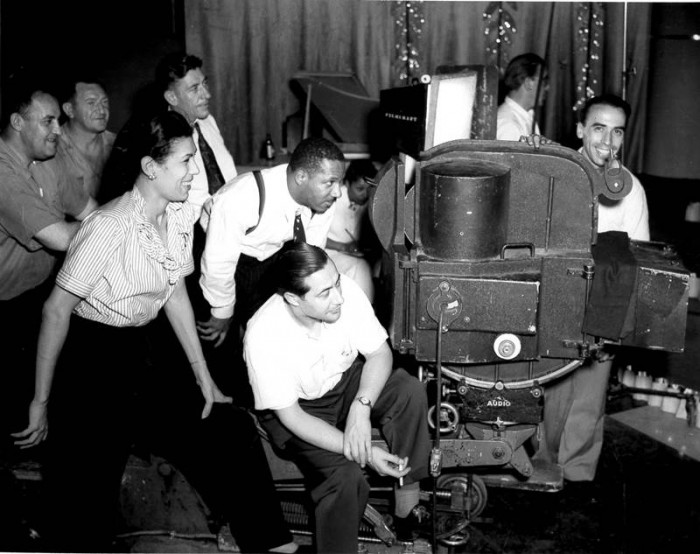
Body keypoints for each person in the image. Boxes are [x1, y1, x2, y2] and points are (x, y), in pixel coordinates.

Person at [12, 111, 295, 553]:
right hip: (90, 362)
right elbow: (55, 311)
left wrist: (205, 379)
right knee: (85, 507)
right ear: (150, 167)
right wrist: (40, 402)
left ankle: (274, 545)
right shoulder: (108, 227)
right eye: (185, 161)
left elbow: (175, 292)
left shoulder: (178, 216)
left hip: (142, 353)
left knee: (230, 430)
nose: (194, 171)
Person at [244, 242, 431, 553]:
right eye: (324, 293)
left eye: (336, 283)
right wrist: (365, 452)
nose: (339, 297)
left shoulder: (343, 292)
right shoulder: (263, 335)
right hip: (299, 412)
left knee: (408, 391)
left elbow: (379, 354)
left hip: (344, 383)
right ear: (293, 299)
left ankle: (406, 503)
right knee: (344, 478)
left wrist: (361, 408)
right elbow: (291, 417)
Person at [540, 94, 649, 482]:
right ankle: (541, 468)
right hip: (556, 300)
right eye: (599, 128)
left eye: (617, 131)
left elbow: (639, 254)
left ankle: (578, 475)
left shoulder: (631, 189)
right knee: (550, 395)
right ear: (581, 129)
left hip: (604, 305)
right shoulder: (553, 174)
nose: (607, 140)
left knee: (589, 396)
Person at [0, 79, 96, 450]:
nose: (58, 130)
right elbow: (64, 238)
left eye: (59, 121)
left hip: (38, 292)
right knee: (19, 420)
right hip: (5, 310)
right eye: (49, 121)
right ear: (17, 122)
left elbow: (90, 212)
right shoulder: (4, 174)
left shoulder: (48, 159)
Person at [198, 137, 345, 346]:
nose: (337, 192)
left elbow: (309, 255)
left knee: (269, 336)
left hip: (267, 259)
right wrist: (221, 311)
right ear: (301, 176)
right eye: (330, 182)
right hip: (219, 257)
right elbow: (217, 261)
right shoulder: (243, 197)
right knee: (219, 340)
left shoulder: (322, 202)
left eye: (339, 182)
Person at [50, 76, 115, 198]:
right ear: (69, 110)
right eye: (91, 102)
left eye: (104, 102)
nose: (101, 110)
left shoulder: (118, 144)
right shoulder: (51, 150)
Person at [325, 159, 380, 302]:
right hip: (328, 252)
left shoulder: (370, 201)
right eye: (360, 189)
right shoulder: (330, 201)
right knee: (360, 269)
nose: (365, 194)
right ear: (347, 184)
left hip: (353, 253)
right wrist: (342, 246)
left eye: (369, 189)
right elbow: (311, 236)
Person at [497, 53, 549, 142]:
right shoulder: (509, 126)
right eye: (544, 81)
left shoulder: (525, 116)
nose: (548, 87)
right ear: (529, 83)